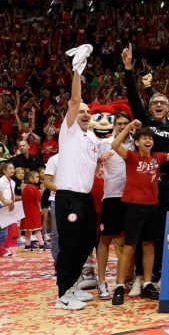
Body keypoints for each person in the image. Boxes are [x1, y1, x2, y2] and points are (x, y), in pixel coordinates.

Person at [109, 119, 169, 306]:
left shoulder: (157, 157)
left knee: (149, 245)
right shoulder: (131, 156)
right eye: (143, 138)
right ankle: (119, 286)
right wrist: (129, 127)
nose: (148, 140)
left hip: (152, 206)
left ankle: (147, 284)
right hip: (134, 207)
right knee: (129, 247)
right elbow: (115, 145)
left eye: (150, 138)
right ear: (137, 142)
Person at [54, 49, 101, 311]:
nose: (85, 113)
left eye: (87, 111)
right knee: (69, 246)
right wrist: (77, 70)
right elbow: (74, 99)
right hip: (68, 198)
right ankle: (63, 294)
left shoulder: (91, 138)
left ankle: (72, 284)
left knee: (87, 242)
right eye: (81, 110)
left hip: (85, 198)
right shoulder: (69, 131)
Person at [95, 113, 132, 301]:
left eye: (126, 124)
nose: (122, 126)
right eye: (119, 124)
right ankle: (101, 281)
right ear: (114, 125)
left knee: (128, 240)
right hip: (111, 197)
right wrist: (99, 159)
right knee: (105, 240)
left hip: (132, 198)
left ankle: (124, 278)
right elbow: (94, 164)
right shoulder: (105, 143)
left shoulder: (137, 143)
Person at [20, 170, 48, 250]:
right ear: (30, 178)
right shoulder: (33, 188)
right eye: (36, 177)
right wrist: (42, 190)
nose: (38, 178)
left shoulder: (25, 187)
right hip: (33, 210)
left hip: (26, 211)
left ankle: (28, 245)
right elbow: (38, 199)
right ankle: (42, 244)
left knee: (28, 228)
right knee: (37, 228)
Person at [0, 162, 17, 257]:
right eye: (10, 168)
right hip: (1, 206)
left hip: (8, 207)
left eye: (13, 168)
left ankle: (3, 248)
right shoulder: (1, 181)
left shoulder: (13, 182)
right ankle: (2, 250)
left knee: (8, 230)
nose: (12, 170)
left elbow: (11, 194)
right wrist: (4, 201)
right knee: (3, 231)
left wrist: (12, 203)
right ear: (4, 171)